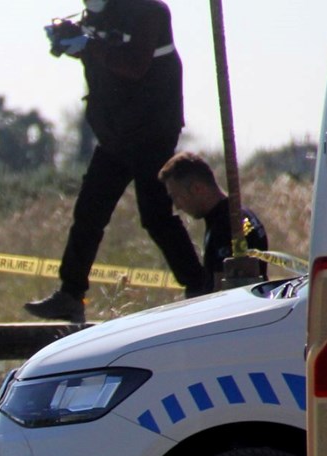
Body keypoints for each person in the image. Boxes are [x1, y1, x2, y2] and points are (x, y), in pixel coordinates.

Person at [26, 0, 206, 324]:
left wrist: (88, 45)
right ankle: (70, 295)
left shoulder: (151, 12)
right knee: (88, 213)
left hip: (152, 131)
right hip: (116, 135)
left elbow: (135, 65)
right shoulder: (97, 15)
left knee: (155, 216)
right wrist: (72, 40)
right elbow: (101, 55)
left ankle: (200, 288)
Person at [157, 151, 269, 292]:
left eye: (176, 197)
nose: (177, 206)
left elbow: (220, 292)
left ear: (197, 189)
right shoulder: (240, 214)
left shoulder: (226, 226)